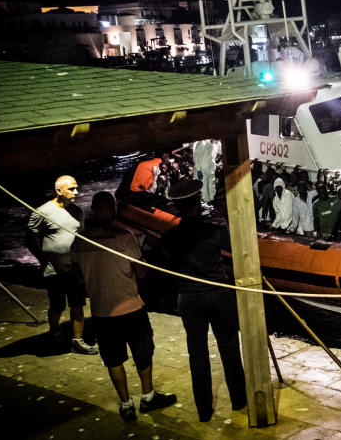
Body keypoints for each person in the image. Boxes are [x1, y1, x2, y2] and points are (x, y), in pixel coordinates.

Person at [73, 192, 176, 421]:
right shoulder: (124, 237)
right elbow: (141, 272)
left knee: (113, 358)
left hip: (101, 311)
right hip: (130, 307)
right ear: (111, 209)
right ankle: (148, 396)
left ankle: (125, 403)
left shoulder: (79, 241)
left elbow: (79, 276)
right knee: (143, 352)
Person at [161, 179, 246, 422]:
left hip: (189, 297)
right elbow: (233, 246)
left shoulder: (169, 238)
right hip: (217, 294)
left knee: (197, 353)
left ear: (176, 207)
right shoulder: (213, 230)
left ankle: (204, 410)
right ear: (198, 203)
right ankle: (239, 400)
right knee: (229, 346)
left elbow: (167, 263)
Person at [26, 175, 97, 354]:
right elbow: (30, 238)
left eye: (76, 188)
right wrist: (43, 259)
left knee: (78, 304)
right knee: (57, 305)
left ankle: (77, 340)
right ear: (59, 191)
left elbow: (81, 239)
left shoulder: (77, 212)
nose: (77, 192)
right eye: (71, 189)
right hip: (54, 270)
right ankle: (54, 331)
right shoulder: (43, 211)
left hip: (74, 268)